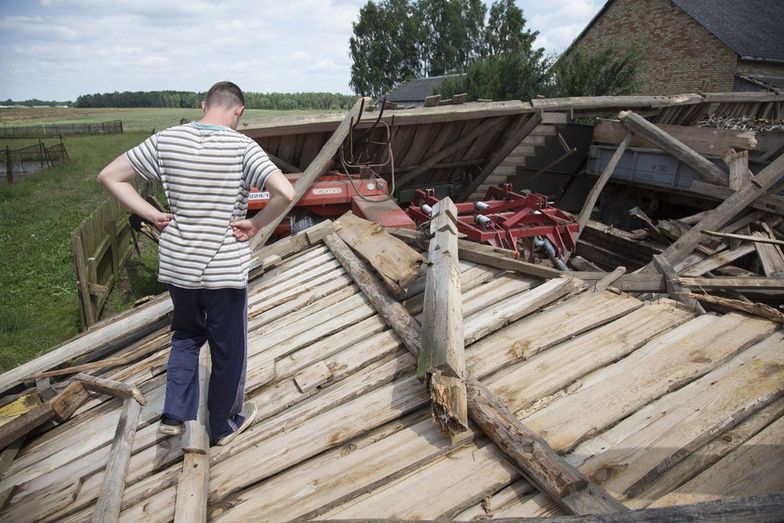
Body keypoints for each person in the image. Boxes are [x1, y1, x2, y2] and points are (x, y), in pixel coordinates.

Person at [97, 81, 295, 446]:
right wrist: (255, 224)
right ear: (238, 111)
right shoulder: (242, 146)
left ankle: (174, 414)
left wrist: (152, 213)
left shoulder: (167, 140)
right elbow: (285, 193)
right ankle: (223, 425)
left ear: (205, 105)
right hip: (224, 271)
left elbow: (109, 176)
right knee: (228, 350)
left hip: (179, 267)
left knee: (186, 336)